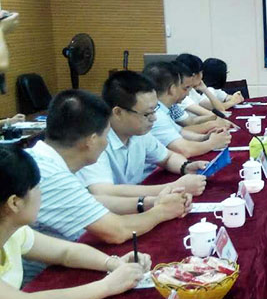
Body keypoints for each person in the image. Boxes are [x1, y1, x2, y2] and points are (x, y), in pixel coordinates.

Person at [24, 90, 188, 281]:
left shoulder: (41, 158)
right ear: (92, 140)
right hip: (39, 279)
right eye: (107, 135)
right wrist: (163, 211)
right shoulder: (50, 174)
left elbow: (90, 202)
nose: (107, 142)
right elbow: (116, 231)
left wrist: (151, 202)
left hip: (69, 260)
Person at [0, 145, 152, 299]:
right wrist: (107, 286)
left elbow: (66, 252)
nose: (41, 194)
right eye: (37, 188)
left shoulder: (16, 232)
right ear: (15, 203)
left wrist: (114, 263)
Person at [77, 71, 209, 213]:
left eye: (155, 110)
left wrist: (186, 167)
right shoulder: (95, 140)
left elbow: (167, 157)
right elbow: (103, 192)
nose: (154, 118)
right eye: (147, 113)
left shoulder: (139, 133)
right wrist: (172, 187)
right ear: (118, 112)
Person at [144, 61, 231, 157]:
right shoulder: (156, 115)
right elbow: (184, 150)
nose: (188, 93)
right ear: (172, 89)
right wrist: (212, 143)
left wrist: (205, 137)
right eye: (184, 87)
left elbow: (180, 132)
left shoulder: (162, 109)